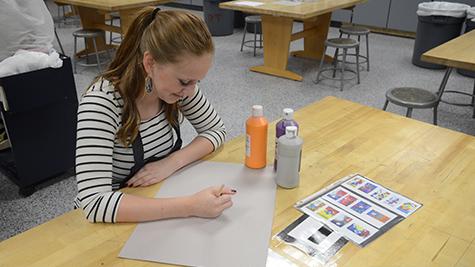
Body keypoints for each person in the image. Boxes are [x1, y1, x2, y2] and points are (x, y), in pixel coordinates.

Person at [74, 7, 235, 223]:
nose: (190, 91)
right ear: (150, 63)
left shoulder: (178, 88)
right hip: (113, 216)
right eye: (185, 81)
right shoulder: (102, 103)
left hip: (157, 199)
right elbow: (95, 203)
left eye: (197, 81)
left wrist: (171, 163)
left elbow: (216, 130)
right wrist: (190, 206)